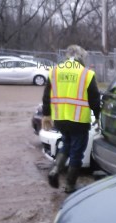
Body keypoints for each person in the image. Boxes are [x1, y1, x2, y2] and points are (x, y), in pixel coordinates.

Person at [42, 45, 100, 193]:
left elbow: (46, 96)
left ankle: (55, 170)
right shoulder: (86, 74)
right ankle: (70, 185)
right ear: (82, 57)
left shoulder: (55, 71)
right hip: (79, 121)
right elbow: (94, 100)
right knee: (77, 152)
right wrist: (99, 117)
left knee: (66, 144)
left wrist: (46, 115)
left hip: (60, 119)